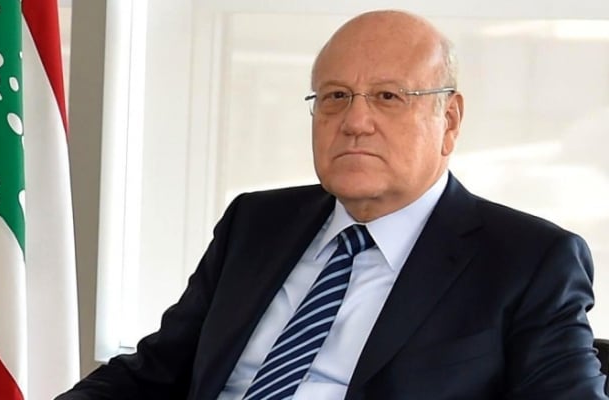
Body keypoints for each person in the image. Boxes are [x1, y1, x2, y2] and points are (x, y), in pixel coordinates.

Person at [57, 9, 608, 400]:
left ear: (449, 120)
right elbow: (154, 373)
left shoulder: (529, 261)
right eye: (335, 97)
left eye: (389, 97)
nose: (355, 121)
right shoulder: (255, 223)